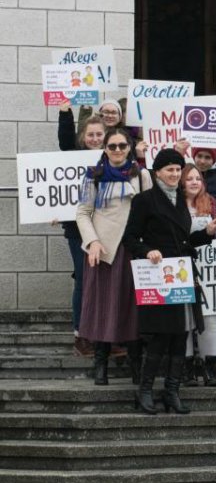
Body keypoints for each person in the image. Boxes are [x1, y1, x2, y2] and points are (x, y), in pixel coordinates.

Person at [123, 148, 216, 415]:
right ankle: (144, 391)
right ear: (157, 173)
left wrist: (206, 234)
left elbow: (185, 242)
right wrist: (147, 251)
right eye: (170, 170)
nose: (175, 174)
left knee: (180, 336)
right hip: (158, 276)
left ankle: (172, 391)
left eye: (178, 170)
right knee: (160, 337)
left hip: (181, 275)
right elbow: (130, 238)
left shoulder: (180, 198)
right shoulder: (145, 200)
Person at [76, 127, 152, 385]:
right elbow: (83, 212)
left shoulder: (141, 175)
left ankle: (136, 366)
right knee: (101, 307)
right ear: (105, 149)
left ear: (130, 147)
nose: (117, 150)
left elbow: (150, 212)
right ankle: (101, 365)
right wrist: (93, 241)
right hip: (104, 251)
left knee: (133, 309)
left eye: (122, 146)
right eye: (112, 146)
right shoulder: (94, 176)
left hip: (133, 249)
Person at [58, 103, 107, 355]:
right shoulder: (73, 155)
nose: (95, 138)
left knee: (106, 280)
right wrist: (65, 113)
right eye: (91, 134)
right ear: (83, 137)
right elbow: (65, 141)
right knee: (83, 278)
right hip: (78, 229)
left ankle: (106, 333)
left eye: (99, 134)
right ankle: (81, 333)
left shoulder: (113, 156)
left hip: (108, 229)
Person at [180, 163, 216, 386]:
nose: (195, 182)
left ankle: (209, 368)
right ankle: (187, 369)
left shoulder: (212, 203)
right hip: (182, 268)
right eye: (189, 178)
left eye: (198, 178)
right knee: (185, 320)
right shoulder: (174, 205)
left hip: (209, 270)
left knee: (210, 318)